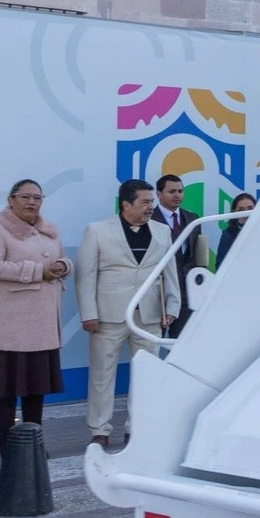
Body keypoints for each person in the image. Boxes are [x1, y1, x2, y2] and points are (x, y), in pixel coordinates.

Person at [77, 179, 176, 448]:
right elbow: (85, 276)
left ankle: (138, 426)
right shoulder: (97, 231)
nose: (150, 207)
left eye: (151, 202)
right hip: (108, 315)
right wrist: (88, 313)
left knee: (146, 374)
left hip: (150, 314)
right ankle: (99, 429)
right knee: (101, 374)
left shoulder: (162, 231)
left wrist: (173, 306)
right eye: (144, 202)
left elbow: (169, 272)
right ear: (126, 204)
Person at [0, 180, 68, 452]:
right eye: (25, 197)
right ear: (11, 199)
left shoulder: (48, 230)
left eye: (37, 198)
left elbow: (60, 259)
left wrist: (63, 265)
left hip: (41, 322)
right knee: (7, 387)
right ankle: (6, 440)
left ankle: (33, 441)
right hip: (10, 323)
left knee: (36, 386)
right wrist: (38, 271)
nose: (32, 202)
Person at [154, 173, 201, 337]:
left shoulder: (192, 218)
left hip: (187, 290)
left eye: (180, 191)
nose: (177, 195)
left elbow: (198, 256)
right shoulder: (148, 219)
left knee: (181, 340)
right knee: (154, 339)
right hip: (159, 292)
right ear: (159, 194)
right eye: (172, 191)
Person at [215, 193, 258, 268]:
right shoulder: (228, 234)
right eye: (241, 209)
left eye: (250, 208)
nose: (246, 212)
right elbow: (220, 265)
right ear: (234, 212)